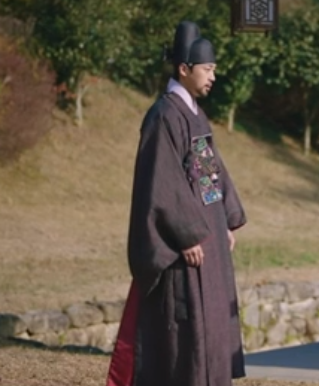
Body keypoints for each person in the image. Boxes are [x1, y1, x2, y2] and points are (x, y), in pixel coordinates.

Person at [106, 21, 248, 386]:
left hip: (208, 240)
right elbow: (160, 181)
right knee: (184, 332)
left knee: (211, 325)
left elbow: (209, 173)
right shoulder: (164, 115)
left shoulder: (194, 114)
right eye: (207, 69)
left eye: (214, 69)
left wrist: (223, 221)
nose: (213, 76)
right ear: (184, 68)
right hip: (185, 250)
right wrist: (185, 235)